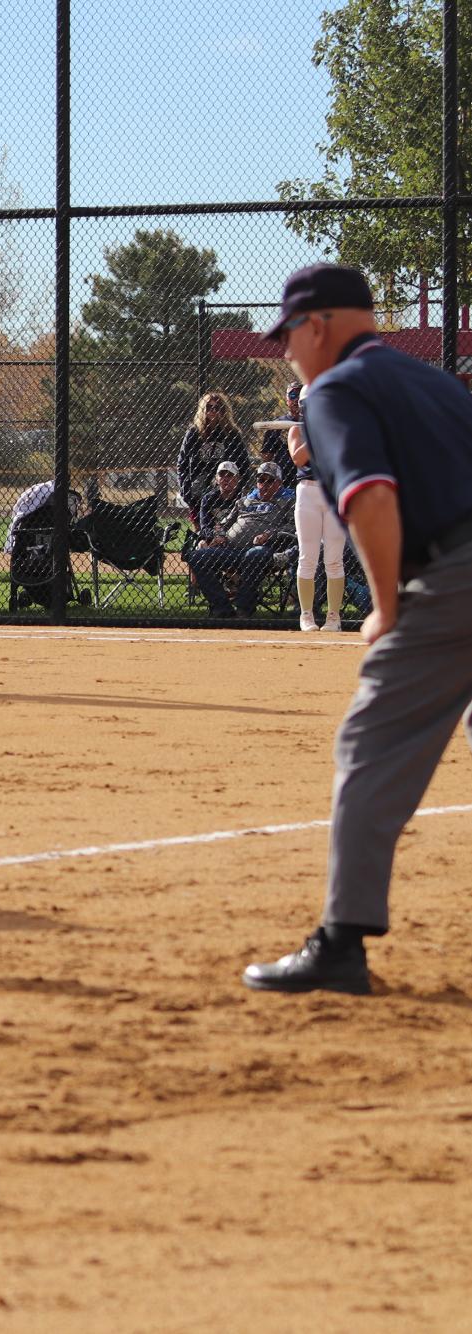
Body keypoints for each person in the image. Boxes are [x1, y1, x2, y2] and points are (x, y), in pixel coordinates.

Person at [243, 265, 472, 994]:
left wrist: (386, 607)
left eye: (287, 336)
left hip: (452, 579)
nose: (285, 352)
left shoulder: (334, 390)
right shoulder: (434, 381)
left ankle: (340, 944)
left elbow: (371, 498)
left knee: (369, 745)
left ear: (320, 325)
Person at [284, 381, 353, 632]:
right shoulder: (298, 431)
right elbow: (298, 458)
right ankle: (306, 615)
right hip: (308, 493)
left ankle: (334, 617)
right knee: (307, 557)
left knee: (334, 559)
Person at [186, 461, 293, 618]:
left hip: (264, 551)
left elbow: (293, 526)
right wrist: (220, 535)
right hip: (231, 550)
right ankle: (223, 609)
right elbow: (223, 524)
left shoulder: (289, 500)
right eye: (260, 480)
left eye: (269, 480)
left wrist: (270, 534)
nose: (264, 484)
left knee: (255, 555)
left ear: (279, 483)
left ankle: (244, 609)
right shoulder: (244, 500)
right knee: (196, 557)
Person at [176, 392, 249, 520]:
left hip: (225, 485)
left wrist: (240, 486)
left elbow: (244, 463)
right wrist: (185, 490)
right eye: (209, 407)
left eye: (217, 407)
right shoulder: (194, 433)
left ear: (224, 410)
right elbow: (182, 464)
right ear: (203, 410)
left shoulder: (232, 434)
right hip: (199, 484)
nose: (213, 411)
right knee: (201, 530)